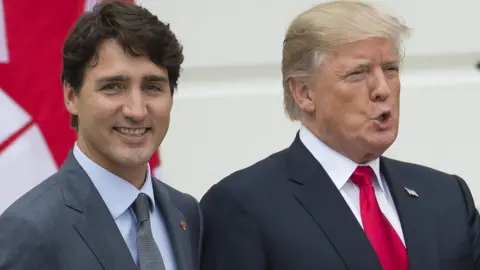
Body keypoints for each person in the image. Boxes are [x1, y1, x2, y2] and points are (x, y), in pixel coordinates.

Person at [199, 1, 480, 270]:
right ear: (304, 93)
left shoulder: (447, 195)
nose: (383, 89)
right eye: (358, 73)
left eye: (390, 70)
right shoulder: (242, 206)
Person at [0, 2, 202, 270]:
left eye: (152, 87)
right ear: (71, 96)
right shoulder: (29, 230)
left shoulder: (186, 213)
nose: (136, 110)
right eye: (113, 87)